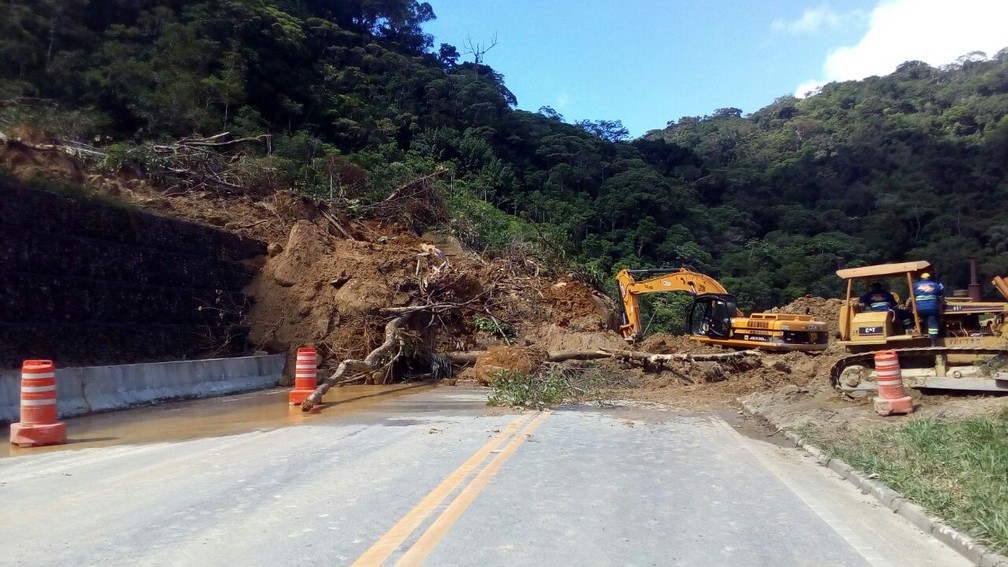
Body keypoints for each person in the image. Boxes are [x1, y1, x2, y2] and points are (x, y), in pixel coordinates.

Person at [913, 272, 945, 345]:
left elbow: (911, 296)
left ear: (921, 278)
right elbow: (941, 296)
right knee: (932, 323)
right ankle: (933, 342)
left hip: (920, 309)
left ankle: (920, 331)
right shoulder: (936, 285)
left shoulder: (915, 285)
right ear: (930, 278)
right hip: (932, 308)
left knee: (920, 319)